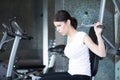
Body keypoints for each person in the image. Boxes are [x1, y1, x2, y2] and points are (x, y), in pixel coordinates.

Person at [40, 10, 106, 80]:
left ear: (68, 22)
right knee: (41, 77)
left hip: (81, 76)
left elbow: (102, 54)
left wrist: (98, 34)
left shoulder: (82, 36)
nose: (57, 29)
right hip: (71, 74)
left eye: (59, 26)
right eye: (56, 27)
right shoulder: (69, 37)